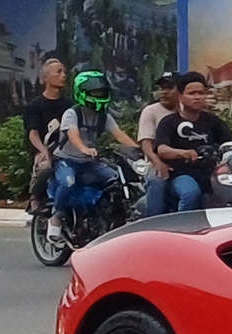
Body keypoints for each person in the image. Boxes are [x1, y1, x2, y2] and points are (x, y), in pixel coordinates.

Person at [52, 70, 140, 215]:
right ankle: (56, 215)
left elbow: (119, 135)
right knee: (68, 182)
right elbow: (73, 135)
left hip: (90, 161)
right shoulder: (72, 113)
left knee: (115, 178)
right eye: (95, 93)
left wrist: (138, 150)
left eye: (101, 92)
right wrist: (84, 148)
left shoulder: (104, 117)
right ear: (81, 93)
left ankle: (105, 212)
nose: (99, 96)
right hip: (67, 159)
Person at [151, 73, 232, 213]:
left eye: (201, 93)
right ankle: (182, 229)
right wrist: (183, 153)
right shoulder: (169, 122)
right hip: (181, 174)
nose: (197, 97)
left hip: (211, 174)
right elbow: (162, 149)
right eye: (192, 93)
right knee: (190, 194)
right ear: (180, 96)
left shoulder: (212, 121)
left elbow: (230, 141)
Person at [21, 57, 69, 212]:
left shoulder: (70, 105)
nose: (63, 75)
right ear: (45, 78)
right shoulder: (35, 105)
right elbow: (33, 133)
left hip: (66, 151)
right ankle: (35, 197)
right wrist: (43, 151)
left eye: (64, 72)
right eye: (59, 72)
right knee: (45, 166)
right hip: (46, 149)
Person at [134, 69, 184, 216]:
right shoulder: (151, 111)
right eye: (161, 88)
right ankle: (152, 225)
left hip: (184, 165)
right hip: (157, 163)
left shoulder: (186, 111)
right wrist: (158, 163)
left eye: (169, 87)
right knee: (157, 182)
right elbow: (146, 144)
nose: (163, 92)